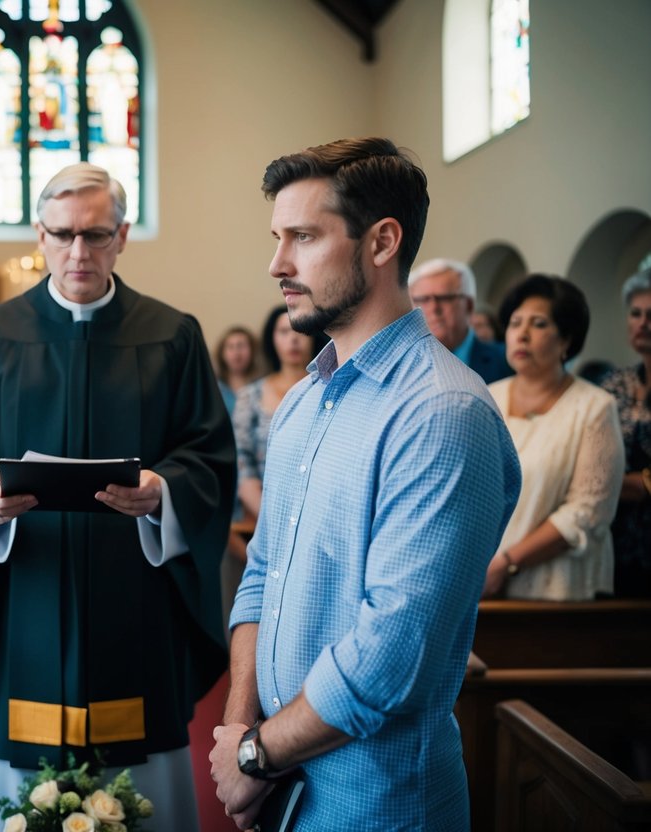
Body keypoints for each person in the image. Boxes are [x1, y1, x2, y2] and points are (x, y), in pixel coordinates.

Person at [209, 137, 521, 829]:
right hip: (280, 790)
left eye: (302, 237)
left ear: (381, 242)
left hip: (375, 803)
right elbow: (260, 573)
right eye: (276, 237)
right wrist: (237, 733)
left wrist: (256, 753)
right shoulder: (302, 400)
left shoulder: (442, 412)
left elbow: (390, 654)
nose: (276, 264)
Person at [0, 162, 235, 832]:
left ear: (122, 235)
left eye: (96, 235)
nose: (79, 251)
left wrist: (163, 491)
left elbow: (209, 455)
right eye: (64, 234)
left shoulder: (172, 335)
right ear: (39, 234)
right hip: (22, 610)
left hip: (131, 604)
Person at [482, 276, 625, 601]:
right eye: (515, 323)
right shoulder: (487, 397)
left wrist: (507, 563)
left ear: (566, 341)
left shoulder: (595, 408)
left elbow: (587, 511)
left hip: (559, 590)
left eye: (539, 324)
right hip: (484, 584)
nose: (522, 334)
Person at [232, 305, 329, 520]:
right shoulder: (250, 395)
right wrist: (270, 517)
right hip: (261, 514)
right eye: (284, 331)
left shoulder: (330, 390)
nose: (293, 339)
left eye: (300, 331)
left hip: (319, 512)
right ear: (272, 338)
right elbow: (242, 460)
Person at [602, 268, 651, 597]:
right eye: (636, 313)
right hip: (616, 536)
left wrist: (636, 483)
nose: (642, 323)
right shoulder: (615, 381)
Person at [409, 257, 513, 382]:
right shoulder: (404, 367)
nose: (433, 308)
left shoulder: (506, 360)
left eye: (444, 298)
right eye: (423, 300)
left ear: (469, 306)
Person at [215, 326, 259, 414]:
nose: (236, 352)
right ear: (222, 354)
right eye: (230, 347)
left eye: (241, 346)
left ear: (253, 351)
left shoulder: (261, 387)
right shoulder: (214, 388)